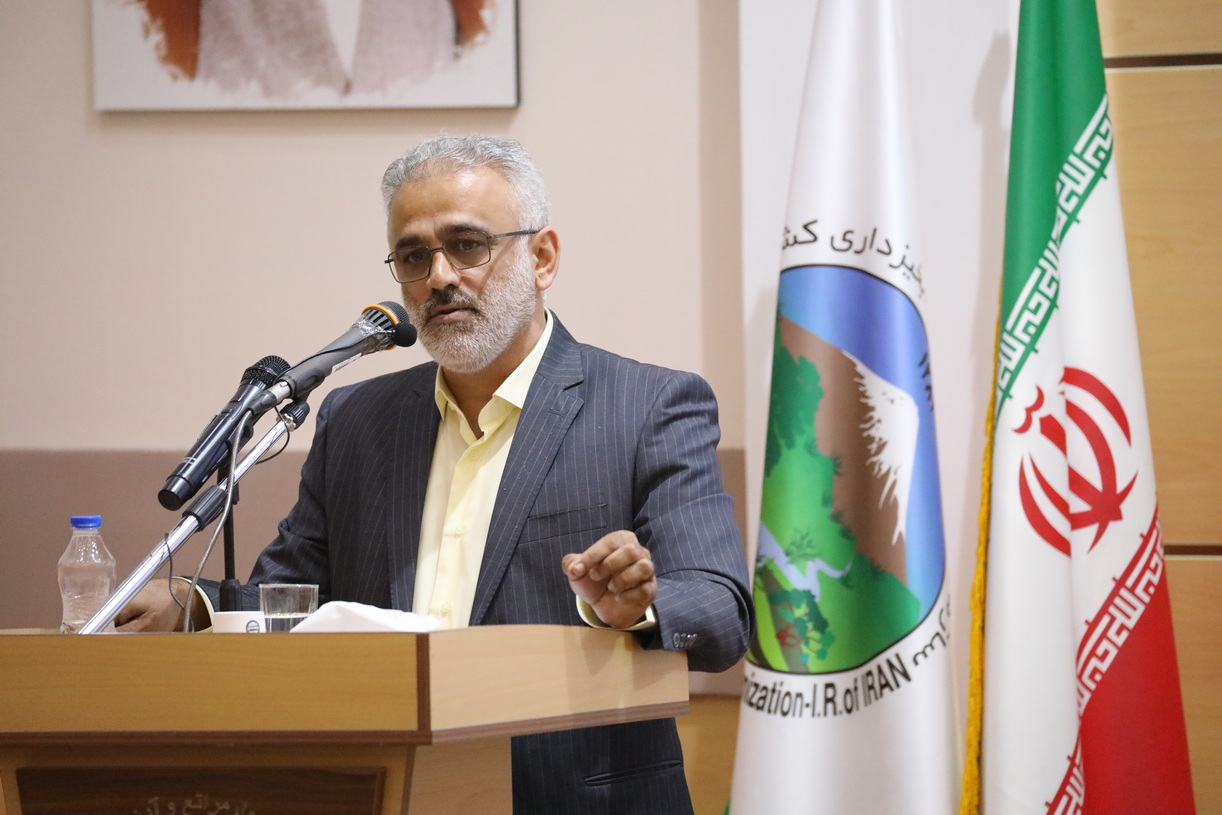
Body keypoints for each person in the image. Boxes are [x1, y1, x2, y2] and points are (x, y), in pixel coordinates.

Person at [119, 134, 753, 814]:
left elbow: (722, 611)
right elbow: (291, 602)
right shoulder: (357, 419)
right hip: (387, 790)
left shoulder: (647, 405)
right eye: (414, 256)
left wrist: (638, 608)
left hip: (571, 797)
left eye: (468, 245)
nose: (440, 276)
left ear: (542, 257)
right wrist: (196, 605)